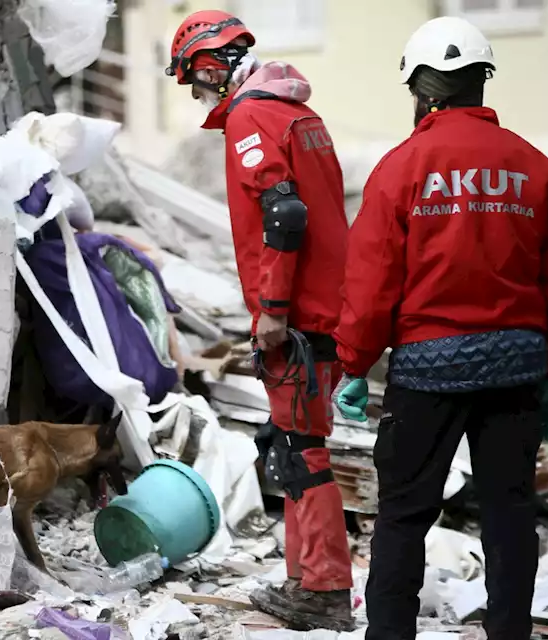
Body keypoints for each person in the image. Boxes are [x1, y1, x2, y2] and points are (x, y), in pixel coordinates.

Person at [330, 16, 548, 640]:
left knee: (402, 517)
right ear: (481, 84)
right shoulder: (538, 169)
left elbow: (370, 283)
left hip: (427, 369)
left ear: (422, 89)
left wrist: (354, 364)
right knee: (508, 514)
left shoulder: (400, 168)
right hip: (517, 368)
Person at [166, 10, 354, 631]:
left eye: (195, 79)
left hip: (297, 317)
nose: (197, 93)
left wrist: (272, 311)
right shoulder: (298, 114)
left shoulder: (251, 114)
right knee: (296, 446)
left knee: (302, 451)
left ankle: (322, 589)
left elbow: (286, 216)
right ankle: (304, 580)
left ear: (211, 64)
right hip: (325, 309)